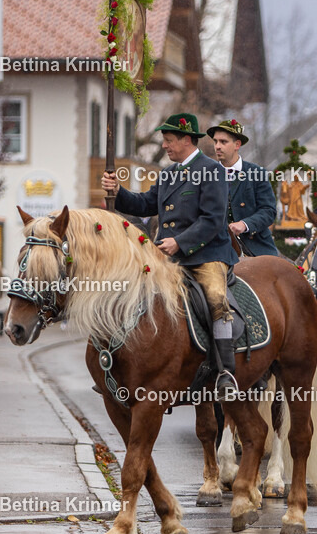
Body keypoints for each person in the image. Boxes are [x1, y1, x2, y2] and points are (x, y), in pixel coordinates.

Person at [101, 112, 240, 400]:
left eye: (169, 140)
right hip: (169, 256)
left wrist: (180, 242)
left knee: (216, 297)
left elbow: (213, 220)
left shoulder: (212, 170)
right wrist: (118, 191)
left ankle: (226, 372)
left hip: (206, 255)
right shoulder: (168, 174)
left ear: (187, 139)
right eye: (163, 141)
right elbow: (143, 204)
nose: (164, 146)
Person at [209, 119, 280, 257]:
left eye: (223, 142)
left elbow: (268, 211)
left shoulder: (257, 173)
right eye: (215, 141)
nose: (217, 146)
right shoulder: (207, 175)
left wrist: (244, 224)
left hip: (255, 247)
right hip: (215, 248)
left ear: (237, 144)